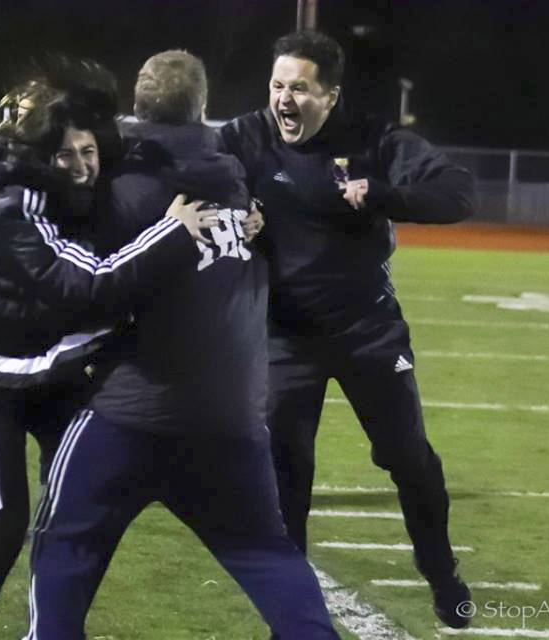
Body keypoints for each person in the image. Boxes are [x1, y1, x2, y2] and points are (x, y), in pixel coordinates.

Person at [25, 50, 337, 639]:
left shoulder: (117, 181)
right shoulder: (235, 172)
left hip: (131, 412)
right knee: (269, 554)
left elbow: (76, 284)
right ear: (203, 109)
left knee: (63, 542)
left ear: (137, 106)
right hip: (234, 422)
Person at [0, 63, 215, 640]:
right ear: (41, 158)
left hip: (54, 367)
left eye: (89, 150)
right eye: (67, 156)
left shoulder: (94, 167)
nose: (85, 165)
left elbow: (161, 145)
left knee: (79, 504)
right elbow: (86, 284)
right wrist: (171, 231)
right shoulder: (16, 211)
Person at [218, 30, 476, 629]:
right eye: (278, 85)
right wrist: (232, 210)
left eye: (300, 89)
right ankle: (295, 611)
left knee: (409, 459)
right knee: (284, 473)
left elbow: (459, 192)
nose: (284, 99)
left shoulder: (375, 140)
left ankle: (440, 572)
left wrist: (383, 194)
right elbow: (181, 170)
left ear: (330, 97)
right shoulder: (244, 137)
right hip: (283, 337)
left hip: (368, 331)